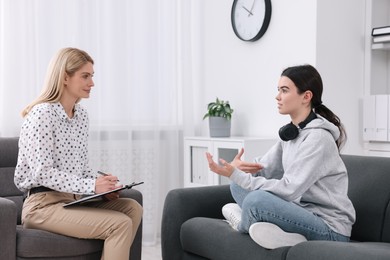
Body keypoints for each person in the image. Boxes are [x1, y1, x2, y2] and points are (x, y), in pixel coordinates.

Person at [206, 64, 356, 249]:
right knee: (238, 185)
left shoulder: (318, 138)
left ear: (306, 96)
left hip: (330, 228)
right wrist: (237, 168)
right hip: (302, 212)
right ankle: (285, 234)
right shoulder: (292, 133)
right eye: (278, 90)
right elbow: (264, 168)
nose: (277, 97)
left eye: (284, 90)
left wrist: (237, 175)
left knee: (256, 201)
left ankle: (242, 223)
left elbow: (289, 189)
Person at [14, 47, 143, 260]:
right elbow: (42, 173)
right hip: (42, 206)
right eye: (85, 76)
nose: (92, 83)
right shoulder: (41, 114)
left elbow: (80, 169)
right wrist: (91, 186)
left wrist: (102, 186)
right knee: (119, 224)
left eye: (92, 76)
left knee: (132, 208)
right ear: (65, 77)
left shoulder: (81, 116)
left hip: (73, 200)